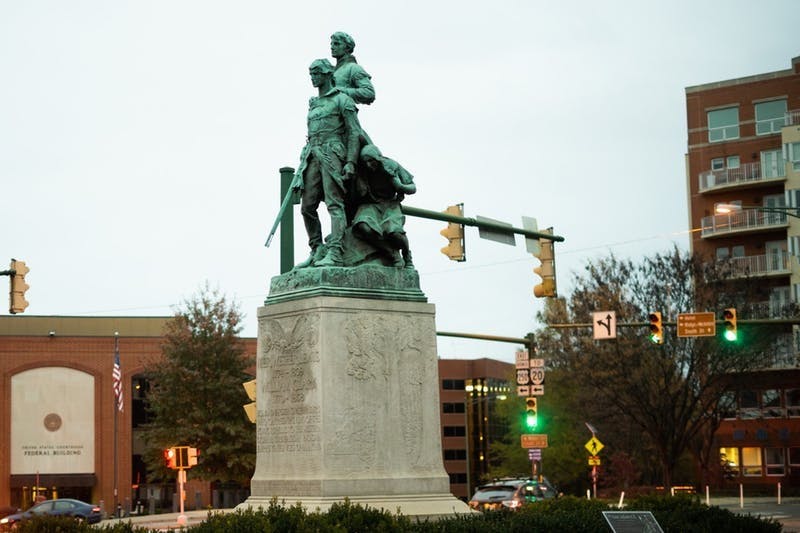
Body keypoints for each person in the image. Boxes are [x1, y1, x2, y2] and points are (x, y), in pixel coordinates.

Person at [294, 59, 362, 268]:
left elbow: (354, 133)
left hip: (333, 155)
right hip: (313, 155)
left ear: (326, 74)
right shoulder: (313, 103)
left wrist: (350, 162)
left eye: (316, 73)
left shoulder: (343, 100)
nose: (312, 77)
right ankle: (317, 249)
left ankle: (336, 251)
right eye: (311, 73)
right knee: (307, 207)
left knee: (334, 204)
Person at [351, 144, 416, 268]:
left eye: (371, 161)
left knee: (395, 233)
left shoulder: (391, 166)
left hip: (390, 204)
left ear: (378, 157)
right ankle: (392, 253)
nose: (369, 165)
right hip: (371, 205)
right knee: (364, 226)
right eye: (366, 162)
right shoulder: (362, 172)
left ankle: (407, 255)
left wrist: (401, 187)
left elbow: (412, 187)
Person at [330, 32, 375, 106]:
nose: (332, 47)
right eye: (331, 44)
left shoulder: (353, 68)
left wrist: (341, 90)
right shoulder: (331, 71)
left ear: (347, 47)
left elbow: (369, 93)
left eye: (336, 44)